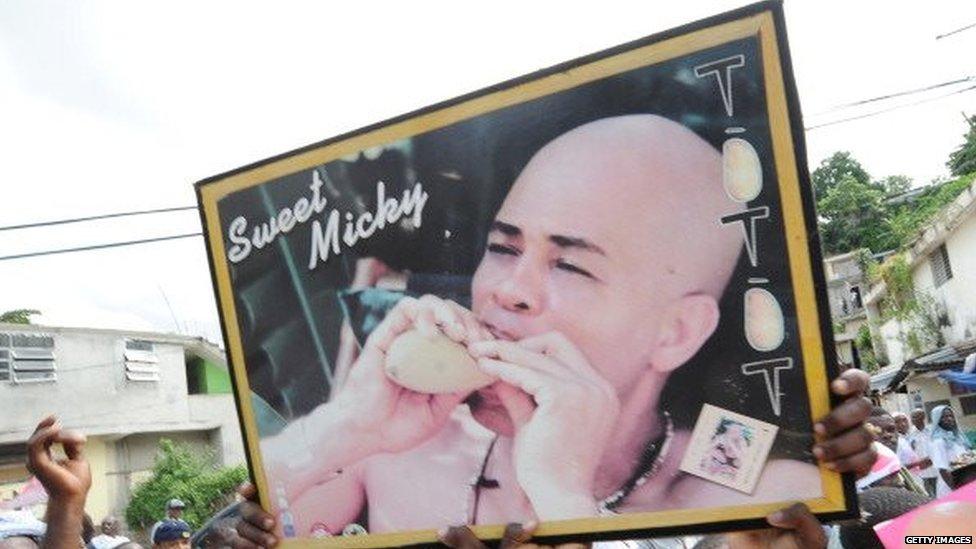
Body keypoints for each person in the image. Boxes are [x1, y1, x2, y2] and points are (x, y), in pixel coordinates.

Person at [237, 115, 876, 545]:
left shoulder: (749, 484)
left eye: (569, 264)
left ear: (676, 332)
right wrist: (341, 427)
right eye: (503, 247)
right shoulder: (404, 446)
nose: (507, 291)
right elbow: (248, 524)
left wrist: (562, 496)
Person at [928, 405, 972, 497]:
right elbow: (942, 469)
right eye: (944, 417)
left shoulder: (958, 437)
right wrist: (955, 489)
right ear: (937, 420)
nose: (949, 419)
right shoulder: (938, 441)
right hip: (951, 485)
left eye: (951, 416)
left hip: (965, 481)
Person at [906, 408, 938, 497]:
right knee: (928, 495)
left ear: (922, 417)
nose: (912, 420)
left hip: (935, 467)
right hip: (921, 470)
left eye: (915, 417)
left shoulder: (932, 430)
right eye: (912, 417)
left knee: (939, 492)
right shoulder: (910, 434)